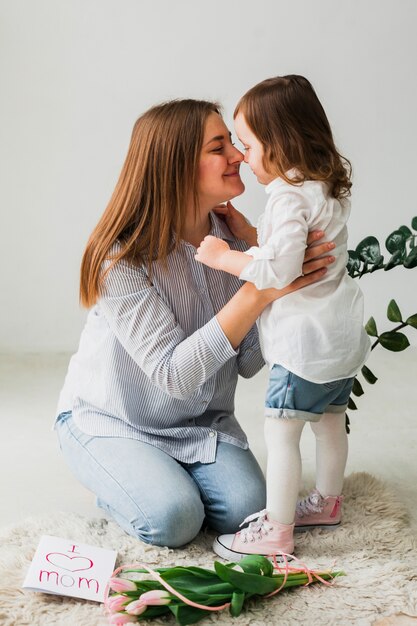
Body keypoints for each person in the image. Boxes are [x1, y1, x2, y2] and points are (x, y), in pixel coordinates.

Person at [55, 98, 335, 549]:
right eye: (219, 146)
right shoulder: (120, 260)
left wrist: (282, 278)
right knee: (173, 519)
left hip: (202, 425)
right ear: (177, 166)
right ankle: (120, 482)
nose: (240, 156)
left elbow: (246, 362)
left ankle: (157, 477)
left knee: (249, 512)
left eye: (233, 144)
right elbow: (175, 374)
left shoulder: (235, 244)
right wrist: (262, 288)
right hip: (113, 419)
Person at [195, 76, 371, 561]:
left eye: (248, 145)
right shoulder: (323, 189)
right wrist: (250, 232)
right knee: (331, 422)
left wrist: (221, 256)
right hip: (340, 338)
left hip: (303, 345)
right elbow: (292, 248)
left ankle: (277, 530)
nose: (242, 156)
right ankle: (328, 503)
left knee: (282, 429)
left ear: (280, 142)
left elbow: (279, 268)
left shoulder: (287, 197)